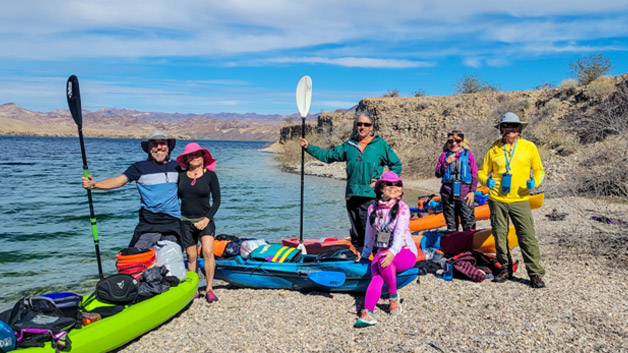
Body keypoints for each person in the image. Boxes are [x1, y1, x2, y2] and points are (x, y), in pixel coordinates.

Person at [299, 111, 402, 250]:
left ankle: (380, 259)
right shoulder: (350, 145)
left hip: (371, 196)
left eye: (366, 124)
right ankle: (361, 259)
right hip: (352, 195)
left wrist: (384, 183)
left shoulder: (380, 145)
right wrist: (308, 147)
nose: (362, 127)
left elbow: (396, 165)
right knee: (356, 233)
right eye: (359, 124)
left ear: (372, 127)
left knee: (375, 229)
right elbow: (328, 156)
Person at [478, 112, 546, 288]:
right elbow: (481, 172)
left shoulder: (529, 147)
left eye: (514, 126)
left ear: (519, 129)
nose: (510, 130)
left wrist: (535, 182)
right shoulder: (494, 149)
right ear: (501, 129)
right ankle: (505, 268)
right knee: (500, 237)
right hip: (497, 199)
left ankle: (535, 274)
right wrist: (487, 181)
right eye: (506, 126)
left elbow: (539, 170)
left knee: (527, 236)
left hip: (520, 199)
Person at [81, 130, 182, 248]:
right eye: (154, 143)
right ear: (149, 147)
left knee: (170, 254)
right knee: (138, 257)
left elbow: (193, 183)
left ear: (168, 146)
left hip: (174, 221)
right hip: (149, 222)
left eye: (163, 143)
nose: (159, 147)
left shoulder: (177, 167)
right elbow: (119, 181)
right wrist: (95, 184)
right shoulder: (139, 167)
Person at [354, 171, 418, 328]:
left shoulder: (402, 208)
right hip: (383, 252)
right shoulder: (372, 209)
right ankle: (368, 312)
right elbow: (369, 235)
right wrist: (364, 256)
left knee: (383, 261)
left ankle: (392, 298)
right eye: (389, 184)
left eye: (397, 184)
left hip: (404, 251)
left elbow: (399, 234)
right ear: (381, 188)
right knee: (378, 271)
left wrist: (392, 252)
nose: (393, 187)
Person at [176, 142, 221, 303]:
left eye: (197, 154)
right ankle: (194, 288)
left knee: (208, 252)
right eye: (190, 155)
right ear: (186, 159)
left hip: (205, 220)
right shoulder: (180, 176)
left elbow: (217, 201)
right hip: (185, 221)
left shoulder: (210, 176)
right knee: (191, 256)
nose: (194, 157)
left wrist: (206, 219)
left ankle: (209, 289)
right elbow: (172, 196)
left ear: (203, 158)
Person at [434, 130, 478, 231]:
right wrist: (447, 162)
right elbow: (438, 174)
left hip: (465, 195)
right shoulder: (444, 156)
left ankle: (469, 244)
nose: (454, 144)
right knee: (451, 223)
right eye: (451, 141)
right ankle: (454, 243)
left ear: (462, 142)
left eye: (458, 141)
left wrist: (472, 192)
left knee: (468, 221)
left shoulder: (469, 155)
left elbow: (474, 174)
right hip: (447, 195)